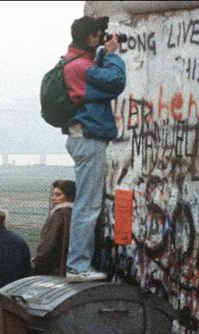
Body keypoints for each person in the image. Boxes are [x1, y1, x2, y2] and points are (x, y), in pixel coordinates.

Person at [61, 16, 125, 282]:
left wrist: (100, 53)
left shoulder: (74, 62)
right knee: (87, 206)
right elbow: (114, 81)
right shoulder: (81, 68)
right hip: (88, 139)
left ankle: (80, 263)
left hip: (82, 137)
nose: (101, 39)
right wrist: (111, 54)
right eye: (99, 36)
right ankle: (77, 266)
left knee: (87, 204)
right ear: (90, 38)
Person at [32, 180, 76, 276]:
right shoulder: (77, 215)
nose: (53, 198)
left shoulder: (59, 216)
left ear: (70, 196)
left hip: (55, 271)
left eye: (58, 195)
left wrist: (37, 265)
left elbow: (47, 245)